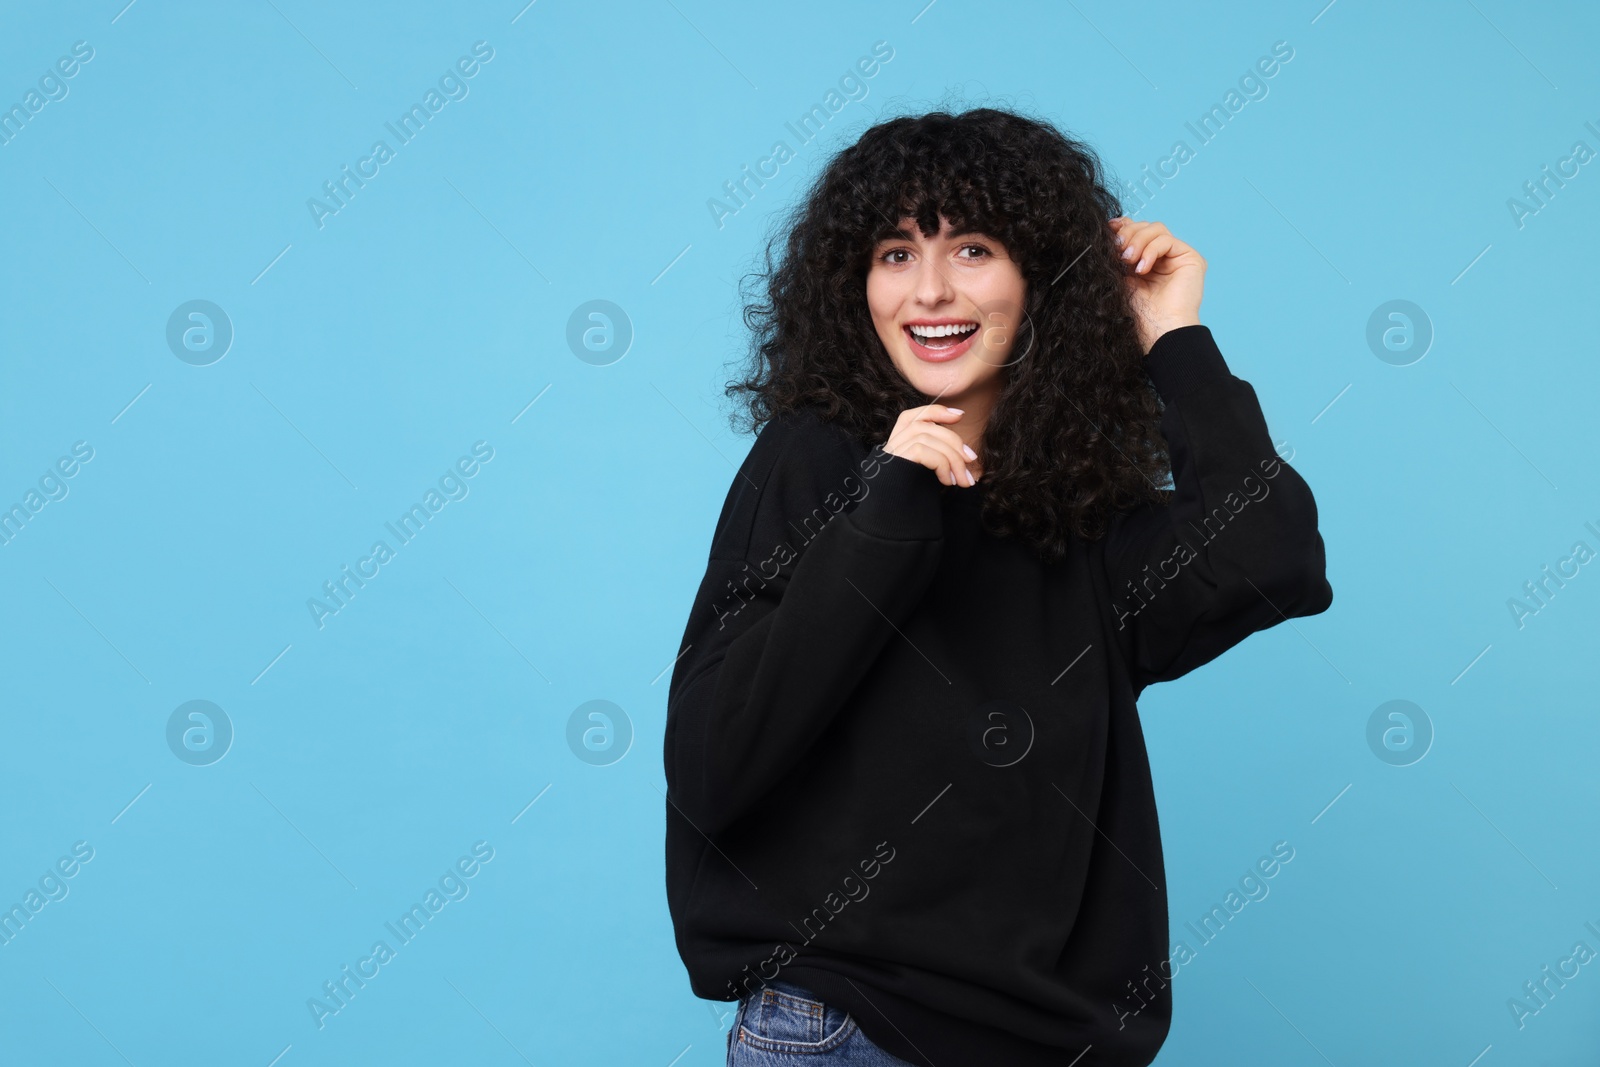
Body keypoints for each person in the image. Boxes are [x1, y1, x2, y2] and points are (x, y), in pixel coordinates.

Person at [663, 107, 1333, 1067]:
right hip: (847, 1030)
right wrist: (889, 508)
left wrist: (1173, 340)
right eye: (895, 253)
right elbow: (713, 766)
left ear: (1040, 280)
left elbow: (1272, 556)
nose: (929, 289)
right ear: (855, 284)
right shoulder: (816, 462)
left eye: (972, 248)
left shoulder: (1080, 514)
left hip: (1042, 1044)